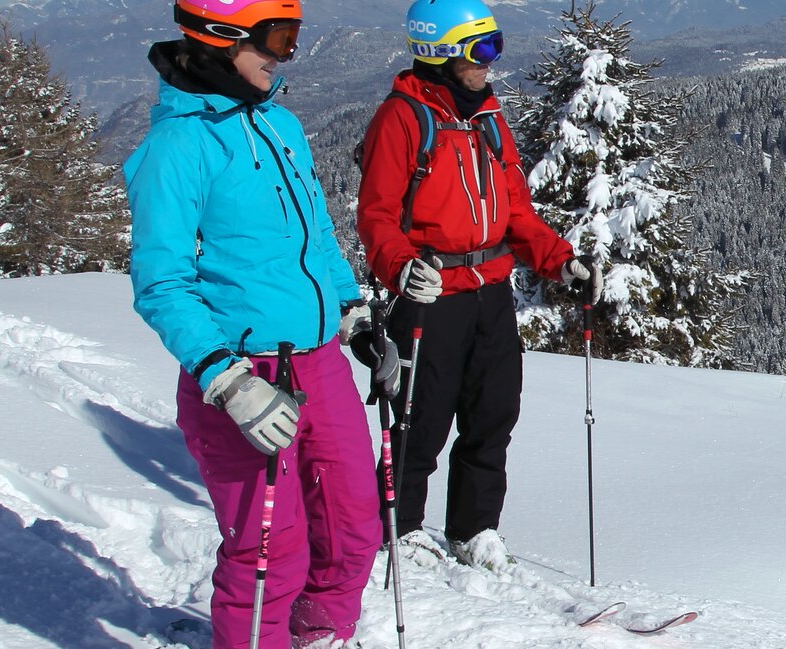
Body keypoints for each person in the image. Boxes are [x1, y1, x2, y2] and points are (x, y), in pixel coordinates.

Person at [125, 0, 379, 646]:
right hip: (243, 374)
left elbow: (316, 232)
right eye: (276, 38)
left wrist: (351, 309)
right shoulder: (177, 148)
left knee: (355, 526)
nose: (284, 54)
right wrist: (228, 379)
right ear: (218, 39)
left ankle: (320, 631)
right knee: (271, 552)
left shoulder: (280, 125)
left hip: (319, 360)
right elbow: (163, 282)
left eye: (292, 38)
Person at [356, 0, 594, 570]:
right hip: (431, 295)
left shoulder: (488, 119)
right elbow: (377, 216)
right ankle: (401, 528)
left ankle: (473, 528)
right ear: (441, 53)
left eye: (496, 45)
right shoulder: (403, 118)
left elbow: (517, 212)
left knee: (492, 416)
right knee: (420, 419)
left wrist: (559, 261)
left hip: (491, 295)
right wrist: (401, 268)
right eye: (481, 49)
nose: (491, 62)